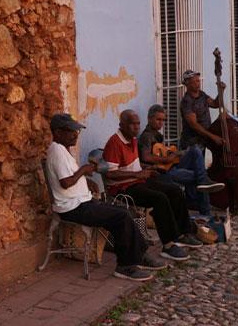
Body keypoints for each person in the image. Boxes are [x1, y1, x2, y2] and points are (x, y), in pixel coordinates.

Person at [45, 113, 167, 281]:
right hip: (73, 208)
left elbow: (67, 177)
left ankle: (139, 255)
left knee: (123, 211)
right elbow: (66, 183)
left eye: (77, 131)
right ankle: (125, 266)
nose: (75, 135)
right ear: (58, 133)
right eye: (71, 131)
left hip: (82, 201)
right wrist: (84, 171)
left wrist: (85, 181)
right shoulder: (57, 151)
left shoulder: (63, 150)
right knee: (121, 216)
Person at [103, 110, 203, 261]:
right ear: (121, 125)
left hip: (138, 180)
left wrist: (146, 168)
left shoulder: (133, 140)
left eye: (138, 124)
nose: (136, 127)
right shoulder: (114, 143)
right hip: (122, 187)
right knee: (159, 198)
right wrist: (136, 175)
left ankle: (183, 233)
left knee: (174, 190)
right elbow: (110, 174)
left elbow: (133, 165)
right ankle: (168, 245)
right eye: (132, 124)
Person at [137, 104, 224, 216]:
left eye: (163, 120)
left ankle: (201, 185)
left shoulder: (157, 135)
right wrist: (167, 159)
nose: (161, 123)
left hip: (170, 166)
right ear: (149, 119)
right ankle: (206, 213)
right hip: (162, 172)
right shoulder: (146, 136)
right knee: (197, 177)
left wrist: (177, 153)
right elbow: (146, 157)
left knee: (195, 150)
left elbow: (160, 152)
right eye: (158, 119)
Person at [179, 70, 226, 150]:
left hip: (202, 140)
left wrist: (221, 91)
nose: (197, 84)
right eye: (194, 82)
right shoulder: (187, 102)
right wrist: (213, 137)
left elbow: (215, 104)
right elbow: (194, 125)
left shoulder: (202, 94)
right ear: (187, 84)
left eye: (198, 81)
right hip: (192, 142)